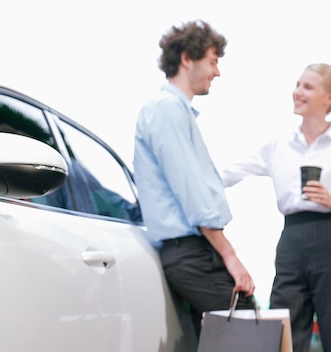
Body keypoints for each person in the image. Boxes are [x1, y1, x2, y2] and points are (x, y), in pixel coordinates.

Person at [220, 63, 331, 352]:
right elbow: (226, 174)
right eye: (297, 85)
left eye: (307, 87)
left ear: (330, 97)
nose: (297, 92)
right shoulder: (278, 145)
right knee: (285, 334)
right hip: (291, 241)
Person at [132, 19, 256, 341]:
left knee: (214, 337)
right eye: (213, 61)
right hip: (190, 251)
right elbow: (193, 195)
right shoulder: (167, 110)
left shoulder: (172, 112)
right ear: (188, 58)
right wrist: (230, 255)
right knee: (245, 324)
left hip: (192, 250)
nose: (218, 72)